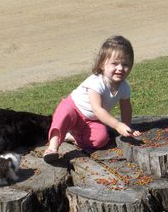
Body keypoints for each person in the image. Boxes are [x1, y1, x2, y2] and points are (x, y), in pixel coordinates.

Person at [43, 35, 141, 163]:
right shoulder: (96, 83)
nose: (121, 68)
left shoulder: (124, 87)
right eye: (115, 63)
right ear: (102, 64)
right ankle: (53, 147)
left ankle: (72, 136)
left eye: (126, 64)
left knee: (101, 139)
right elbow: (97, 109)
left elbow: (126, 107)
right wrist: (117, 125)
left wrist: (126, 127)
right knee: (63, 116)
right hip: (74, 110)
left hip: (91, 120)